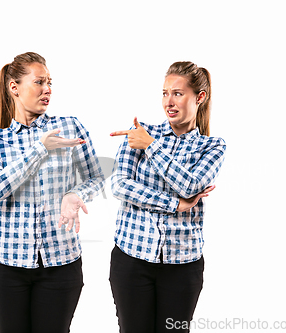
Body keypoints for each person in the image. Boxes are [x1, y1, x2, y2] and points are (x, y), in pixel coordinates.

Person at [0, 52, 104, 333]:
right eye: (39, 82)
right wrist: (40, 148)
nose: (47, 89)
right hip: (7, 264)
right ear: (14, 88)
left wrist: (76, 194)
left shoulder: (70, 126)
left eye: (49, 82)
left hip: (61, 263)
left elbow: (96, 177)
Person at [109, 61, 226, 333]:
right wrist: (174, 204)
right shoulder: (140, 131)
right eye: (164, 93)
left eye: (177, 93)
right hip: (131, 259)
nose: (169, 101)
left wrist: (150, 147)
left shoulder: (212, 146)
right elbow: (119, 186)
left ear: (200, 97)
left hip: (183, 265)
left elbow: (191, 185)